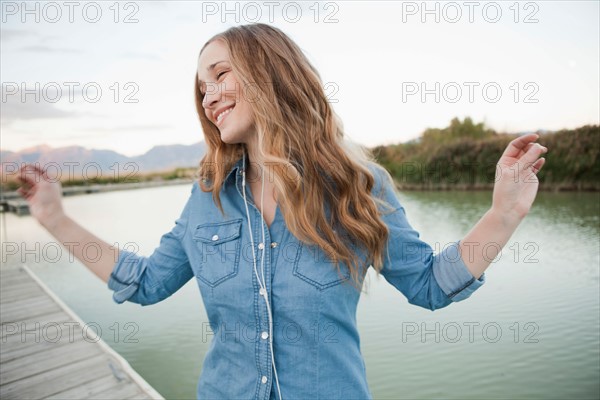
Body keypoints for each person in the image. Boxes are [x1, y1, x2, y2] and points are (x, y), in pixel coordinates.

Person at [18, 23, 547, 400]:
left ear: (269, 73)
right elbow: (147, 282)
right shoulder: (209, 196)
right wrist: (54, 218)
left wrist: (503, 214)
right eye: (201, 88)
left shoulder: (357, 185)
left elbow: (431, 284)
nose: (207, 96)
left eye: (219, 75)